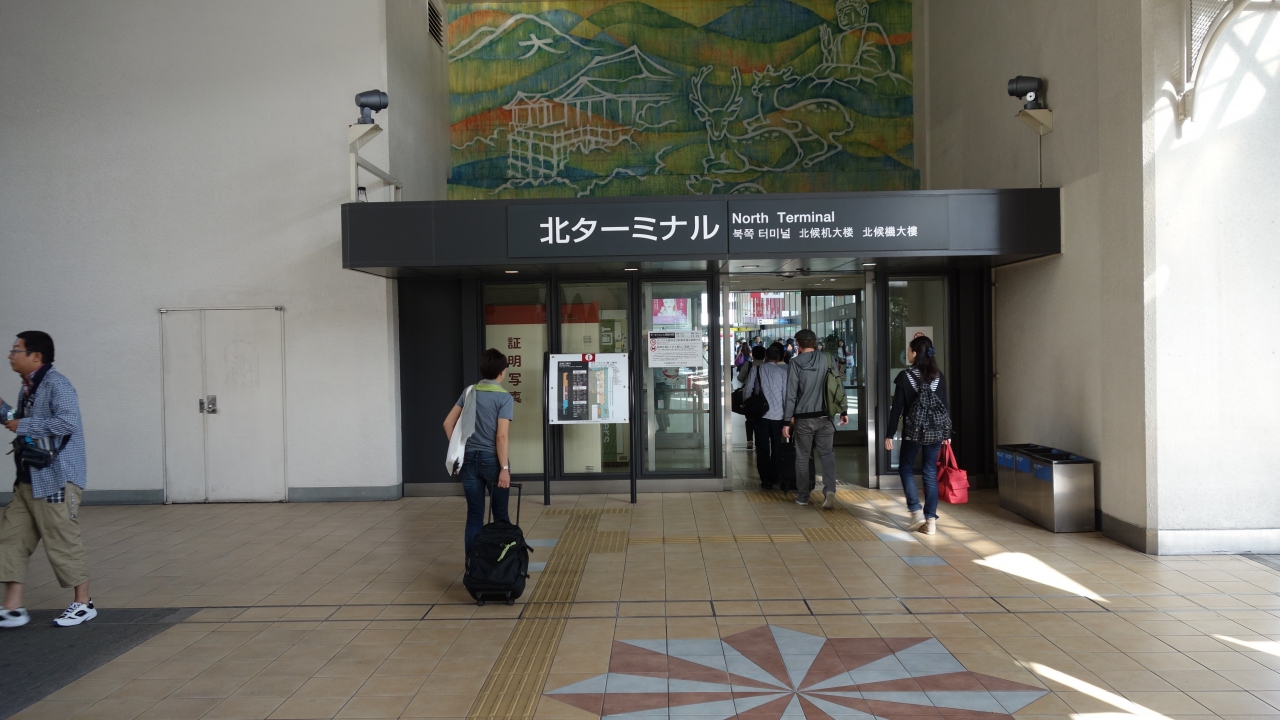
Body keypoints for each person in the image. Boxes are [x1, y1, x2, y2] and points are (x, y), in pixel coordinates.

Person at [0, 331, 93, 628]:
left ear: (36, 356)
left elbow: (67, 422)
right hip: (28, 478)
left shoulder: (57, 384)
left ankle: (83, 603)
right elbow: (16, 421)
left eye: (16, 350)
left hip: (56, 478)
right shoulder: (29, 387)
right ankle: (12, 607)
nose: (10, 355)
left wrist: (23, 424)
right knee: (12, 539)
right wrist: (3, 409)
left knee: (62, 539)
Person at [443, 349, 513, 555]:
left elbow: (447, 423)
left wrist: (459, 449)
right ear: (502, 372)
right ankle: (501, 565)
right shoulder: (504, 398)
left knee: (474, 516)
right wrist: (504, 468)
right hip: (493, 461)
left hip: (468, 461)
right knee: (500, 515)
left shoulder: (469, 392)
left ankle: (472, 566)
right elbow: (501, 437)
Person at [885, 335, 951, 535]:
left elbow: (896, 409)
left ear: (914, 353)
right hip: (935, 431)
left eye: (909, 350)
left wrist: (889, 434)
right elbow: (944, 407)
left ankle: (915, 510)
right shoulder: (939, 376)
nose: (908, 353)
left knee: (905, 467)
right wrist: (947, 433)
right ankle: (930, 521)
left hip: (913, 431)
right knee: (929, 472)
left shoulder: (905, 377)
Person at [782, 329, 848, 507]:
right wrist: (844, 410)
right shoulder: (828, 358)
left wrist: (787, 421)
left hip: (803, 419)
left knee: (802, 457)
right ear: (814, 342)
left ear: (798, 344)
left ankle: (803, 496)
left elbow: (791, 394)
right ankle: (830, 490)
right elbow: (838, 384)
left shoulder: (795, 363)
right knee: (827, 455)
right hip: (826, 416)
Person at [743, 343, 788, 489]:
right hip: (778, 416)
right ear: (779, 358)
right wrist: (788, 417)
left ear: (766, 357)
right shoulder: (783, 373)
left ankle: (765, 480)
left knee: (762, 447)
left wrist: (749, 407)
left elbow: (747, 391)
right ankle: (775, 476)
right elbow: (786, 396)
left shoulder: (756, 369)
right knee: (777, 447)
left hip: (760, 415)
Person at [737, 345, 766, 451]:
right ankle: (760, 440)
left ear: (752, 355)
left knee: (749, 418)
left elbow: (740, 377)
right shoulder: (767, 366)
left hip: (750, 397)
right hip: (763, 398)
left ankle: (749, 440)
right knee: (762, 418)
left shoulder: (748, 364)